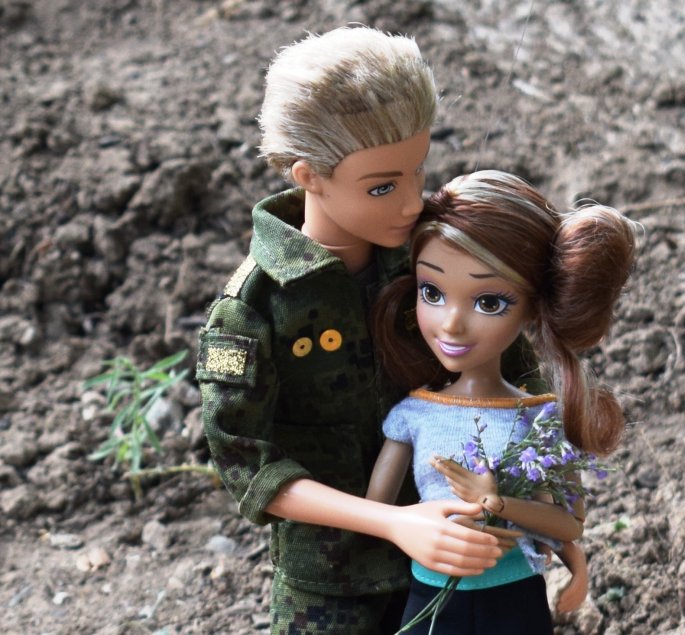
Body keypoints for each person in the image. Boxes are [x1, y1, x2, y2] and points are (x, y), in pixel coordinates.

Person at [197, 28, 517, 635]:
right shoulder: (256, 310)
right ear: (309, 175)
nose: (411, 203)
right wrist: (391, 522)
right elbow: (248, 464)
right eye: (382, 187)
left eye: (418, 172)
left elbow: (509, 369)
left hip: (457, 549)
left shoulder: (432, 260)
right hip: (331, 579)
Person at [366, 170, 637, 633]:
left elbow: (569, 523)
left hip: (513, 595)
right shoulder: (412, 415)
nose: (451, 324)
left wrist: (499, 503)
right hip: (432, 593)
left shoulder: (539, 417)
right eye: (432, 293)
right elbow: (377, 511)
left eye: (489, 302)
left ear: (532, 306)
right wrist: (411, 528)